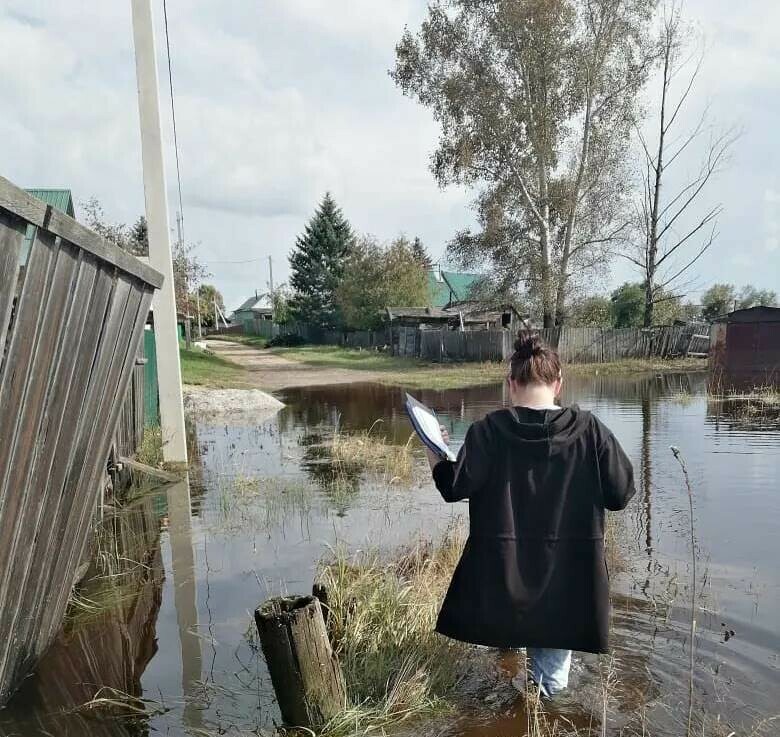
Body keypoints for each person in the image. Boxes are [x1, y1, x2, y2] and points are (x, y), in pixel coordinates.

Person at [426, 331, 636, 697]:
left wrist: (436, 449)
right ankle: (542, 719)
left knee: (508, 647)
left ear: (511, 384)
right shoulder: (592, 432)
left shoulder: (486, 431)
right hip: (568, 579)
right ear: (558, 384)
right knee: (551, 687)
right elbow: (620, 495)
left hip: (504, 577)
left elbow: (453, 487)